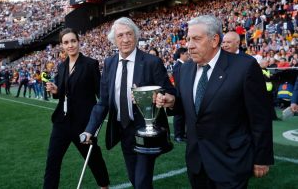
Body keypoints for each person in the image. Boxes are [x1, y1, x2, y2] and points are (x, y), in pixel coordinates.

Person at [157, 15, 274, 189]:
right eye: (188, 39)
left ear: (214, 40)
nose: (189, 45)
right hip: (196, 162)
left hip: (231, 162)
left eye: (196, 39)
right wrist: (173, 101)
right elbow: (193, 108)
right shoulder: (184, 69)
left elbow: (260, 117)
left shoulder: (245, 67)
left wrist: (261, 158)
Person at [81, 17, 175, 189]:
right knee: (134, 178)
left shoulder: (151, 62)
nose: (125, 39)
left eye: (129, 34)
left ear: (136, 36)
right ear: (113, 40)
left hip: (147, 131)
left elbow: (170, 93)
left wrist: (163, 98)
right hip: (123, 131)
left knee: (141, 181)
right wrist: (89, 130)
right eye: (120, 35)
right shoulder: (109, 63)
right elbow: (103, 102)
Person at [43, 28, 109, 189]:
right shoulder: (62, 66)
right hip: (61, 122)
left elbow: (100, 94)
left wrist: (96, 122)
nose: (70, 45)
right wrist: (55, 90)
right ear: (62, 46)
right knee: (52, 160)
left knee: (93, 157)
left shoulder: (90, 64)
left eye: (73, 41)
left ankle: (104, 185)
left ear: (78, 42)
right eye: (66, 42)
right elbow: (62, 92)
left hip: (83, 124)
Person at [172, 47, 189, 142]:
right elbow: (179, 83)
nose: (188, 55)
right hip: (180, 95)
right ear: (181, 54)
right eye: (186, 54)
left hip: (183, 94)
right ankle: (178, 135)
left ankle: (182, 134)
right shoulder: (178, 66)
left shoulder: (182, 65)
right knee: (179, 116)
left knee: (183, 116)